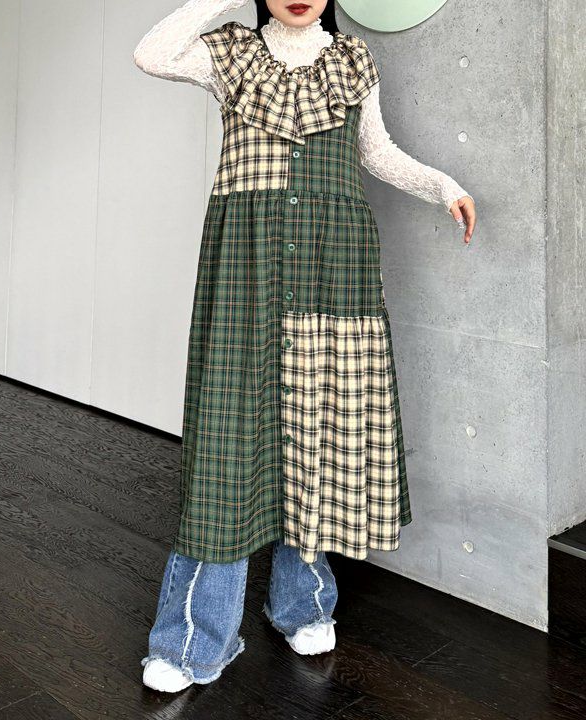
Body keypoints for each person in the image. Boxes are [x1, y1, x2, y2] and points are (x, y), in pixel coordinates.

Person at [133, 0, 476, 693]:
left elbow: (375, 152)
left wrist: (444, 187)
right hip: (247, 266)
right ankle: (194, 638)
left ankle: (303, 604)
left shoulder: (352, 61)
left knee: (318, 430)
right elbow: (152, 53)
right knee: (228, 445)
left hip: (335, 265)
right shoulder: (232, 53)